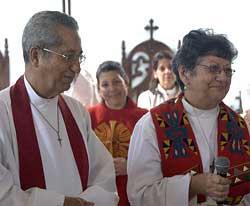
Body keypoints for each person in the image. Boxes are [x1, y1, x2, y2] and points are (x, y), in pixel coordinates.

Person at [0, 11, 119, 206]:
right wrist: (62, 203)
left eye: (79, 57)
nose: (76, 68)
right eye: (68, 56)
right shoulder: (3, 112)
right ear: (36, 56)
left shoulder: (76, 111)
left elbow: (104, 176)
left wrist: (84, 203)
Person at [127, 29, 250, 205]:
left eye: (228, 70)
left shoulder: (239, 126)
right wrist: (191, 185)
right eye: (213, 68)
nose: (223, 77)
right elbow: (140, 195)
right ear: (185, 73)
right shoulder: (152, 125)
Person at [88, 61, 148, 206]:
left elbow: (154, 158)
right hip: (98, 190)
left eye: (116, 82)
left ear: (126, 82)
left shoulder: (144, 117)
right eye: (105, 85)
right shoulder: (88, 116)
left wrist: (130, 166)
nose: (112, 89)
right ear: (98, 88)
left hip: (132, 189)